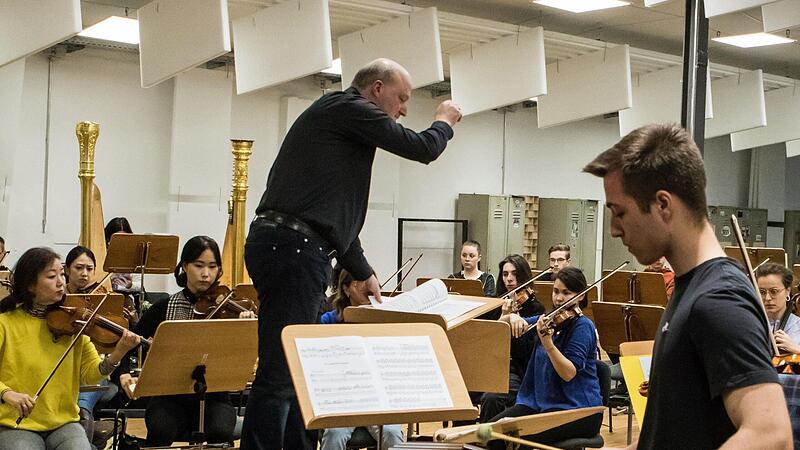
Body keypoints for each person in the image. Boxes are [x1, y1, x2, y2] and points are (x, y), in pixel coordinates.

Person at [240, 58, 462, 450]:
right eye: (402, 98)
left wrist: (361, 270)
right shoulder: (347, 107)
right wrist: (444, 120)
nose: (405, 109)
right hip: (290, 248)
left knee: (296, 368)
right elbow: (423, 148)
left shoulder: (343, 126)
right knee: (281, 371)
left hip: (294, 245)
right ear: (377, 89)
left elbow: (334, 219)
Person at [583, 123, 791, 449]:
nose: (613, 230)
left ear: (663, 205)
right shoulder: (691, 289)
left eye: (619, 212)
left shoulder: (719, 299)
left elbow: (771, 435)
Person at [118, 236, 254, 447]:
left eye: (212, 266)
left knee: (220, 429)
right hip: (169, 396)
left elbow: (244, 354)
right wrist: (124, 372)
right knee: (161, 427)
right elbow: (131, 341)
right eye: (199, 265)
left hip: (215, 396)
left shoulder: (229, 309)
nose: (206, 274)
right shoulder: (164, 307)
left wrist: (245, 329)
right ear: (184, 266)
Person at [0, 247, 138, 450]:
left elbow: (92, 374)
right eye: (51, 276)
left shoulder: (73, 323)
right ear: (30, 285)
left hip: (64, 423)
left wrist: (119, 352)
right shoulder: (6, 323)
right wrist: (7, 393)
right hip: (15, 423)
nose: (60, 283)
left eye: (62, 275)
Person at [486, 267, 602, 448]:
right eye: (556, 291)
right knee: (486, 433)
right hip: (540, 404)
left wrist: (548, 344)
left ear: (581, 296)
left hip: (579, 411)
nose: (559, 298)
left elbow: (568, 373)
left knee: (516, 439)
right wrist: (509, 317)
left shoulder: (583, 327)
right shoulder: (548, 319)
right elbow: (502, 329)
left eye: (566, 293)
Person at [318, 269, 405, 449]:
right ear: (346, 289)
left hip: (376, 398)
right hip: (342, 399)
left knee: (392, 433)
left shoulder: (382, 320)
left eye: (369, 281)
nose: (367, 287)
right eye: (360, 282)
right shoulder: (329, 321)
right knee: (335, 434)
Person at [477, 255, 545, 422]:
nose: (509, 279)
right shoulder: (495, 304)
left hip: (516, 368)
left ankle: (486, 441)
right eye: (505, 274)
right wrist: (504, 317)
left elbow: (522, 352)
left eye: (514, 274)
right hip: (490, 365)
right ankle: (462, 440)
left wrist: (514, 318)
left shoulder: (535, 308)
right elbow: (485, 342)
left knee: (491, 398)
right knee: (460, 392)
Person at [756, 263, 800, 353]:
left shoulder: (797, 325)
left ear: (787, 291)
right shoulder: (752, 324)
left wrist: (797, 350)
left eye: (774, 291)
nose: (767, 298)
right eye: (762, 292)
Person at [103, 217, 140, 294]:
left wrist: (130, 285)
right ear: (107, 240)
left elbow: (139, 285)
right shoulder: (101, 255)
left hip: (126, 296)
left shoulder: (134, 257)